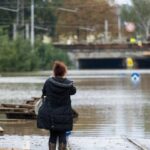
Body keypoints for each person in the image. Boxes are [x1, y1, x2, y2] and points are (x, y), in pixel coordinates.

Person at [37, 61, 77, 150]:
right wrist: (66, 80)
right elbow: (73, 91)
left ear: (54, 71)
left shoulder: (48, 82)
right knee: (62, 134)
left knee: (53, 135)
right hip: (64, 115)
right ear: (64, 72)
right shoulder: (69, 83)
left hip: (51, 115)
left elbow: (44, 93)